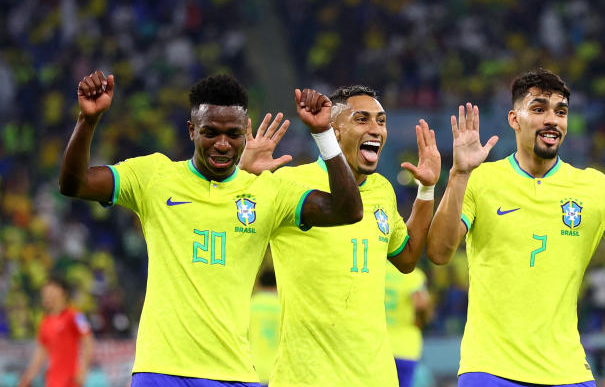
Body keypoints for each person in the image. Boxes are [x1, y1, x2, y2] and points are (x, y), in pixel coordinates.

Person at [58, 71, 363, 387]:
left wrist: (324, 135)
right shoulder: (154, 176)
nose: (222, 144)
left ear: (246, 132)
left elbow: (349, 210)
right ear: (192, 130)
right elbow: (74, 184)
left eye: (233, 134)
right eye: (210, 132)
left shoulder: (268, 192)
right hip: (160, 370)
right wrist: (88, 120)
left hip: (233, 374)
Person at [426, 68, 605, 387]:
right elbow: (438, 251)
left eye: (561, 112)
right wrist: (459, 174)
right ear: (514, 119)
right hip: (491, 369)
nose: (552, 120)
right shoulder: (481, 181)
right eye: (539, 109)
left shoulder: (595, 188)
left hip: (567, 373)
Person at [238, 85, 441, 386]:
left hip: (377, 377)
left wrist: (426, 190)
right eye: (362, 119)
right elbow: (231, 230)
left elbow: (408, 258)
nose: (376, 129)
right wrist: (241, 176)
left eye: (381, 121)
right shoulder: (290, 183)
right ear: (333, 130)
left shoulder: (382, 189)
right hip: (307, 377)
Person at [17, 278, 93, 387]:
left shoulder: (75, 315)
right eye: (44, 293)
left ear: (62, 292)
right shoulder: (45, 322)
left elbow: (88, 342)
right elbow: (40, 352)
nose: (46, 296)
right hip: (52, 381)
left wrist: (84, 369)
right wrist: (28, 377)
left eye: (49, 292)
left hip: (71, 380)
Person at [385, 263, 432, 387]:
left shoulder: (375, 269)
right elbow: (421, 305)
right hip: (405, 348)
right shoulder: (414, 275)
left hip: (377, 346)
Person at [249, 270, 281, 386]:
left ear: (258, 284)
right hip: (278, 372)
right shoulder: (283, 307)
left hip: (253, 370)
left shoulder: (250, 305)